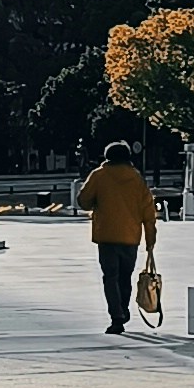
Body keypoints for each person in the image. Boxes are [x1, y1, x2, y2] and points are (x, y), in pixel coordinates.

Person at [75, 136, 160, 335]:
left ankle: (117, 317)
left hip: (106, 236)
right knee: (125, 277)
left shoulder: (99, 175)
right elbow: (148, 212)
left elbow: (84, 201)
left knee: (110, 277)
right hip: (130, 237)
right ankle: (123, 307)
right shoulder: (136, 178)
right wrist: (150, 241)